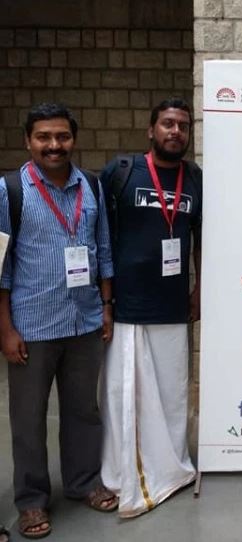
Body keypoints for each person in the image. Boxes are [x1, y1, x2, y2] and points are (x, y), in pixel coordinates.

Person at [0, 103, 117, 539]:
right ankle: (31, 501)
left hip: (84, 320)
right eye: (44, 137)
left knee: (84, 411)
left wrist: (106, 305)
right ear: (28, 140)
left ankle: (83, 482)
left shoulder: (91, 186)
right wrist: (6, 328)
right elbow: (0, 268)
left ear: (74, 139)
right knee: (29, 419)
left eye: (62, 137)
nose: (54, 145)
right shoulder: (9, 190)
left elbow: (102, 247)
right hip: (31, 326)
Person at [99, 97, 202, 518]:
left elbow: (202, 238)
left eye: (182, 125)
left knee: (173, 395)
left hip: (173, 306)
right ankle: (122, 474)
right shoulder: (121, 173)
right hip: (127, 305)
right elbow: (99, 235)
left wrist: (199, 288)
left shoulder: (195, 179)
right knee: (124, 397)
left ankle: (171, 470)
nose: (175, 131)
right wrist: (103, 299)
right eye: (167, 124)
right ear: (151, 130)